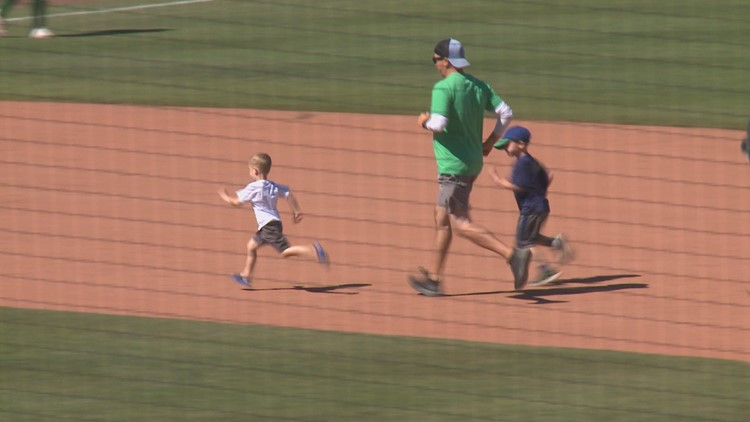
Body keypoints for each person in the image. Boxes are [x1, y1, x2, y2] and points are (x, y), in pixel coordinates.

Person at [407, 37, 531, 297]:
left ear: (446, 61)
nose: (435, 65)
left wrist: (423, 122)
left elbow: (438, 124)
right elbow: (506, 112)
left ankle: (513, 256)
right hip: (472, 162)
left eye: (435, 60)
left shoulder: (443, 88)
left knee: (460, 222)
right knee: (441, 218)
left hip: (454, 168)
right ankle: (434, 279)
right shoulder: (479, 86)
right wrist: (491, 141)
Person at [218, 153, 329, 288]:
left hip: (268, 227)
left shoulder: (253, 187)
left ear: (255, 171)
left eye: (249, 170)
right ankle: (246, 276)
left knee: (285, 252)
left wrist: (225, 196)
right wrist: (297, 210)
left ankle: (313, 251)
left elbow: (236, 202)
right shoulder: (273, 186)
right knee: (251, 246)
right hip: (272, 224)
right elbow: (288, 192)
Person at [487, 126, 575, 289]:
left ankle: (546, 270)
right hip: (541, 206)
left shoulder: (522, 163)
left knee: (524, 242)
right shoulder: (532, 162)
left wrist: (496, 179)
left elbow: (516, 186)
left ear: (521, 144)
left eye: (508, 144)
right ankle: (556, 243)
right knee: (531, 238)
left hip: (530, 209)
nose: (506, 148)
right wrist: (539, 193)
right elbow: (549, 176)